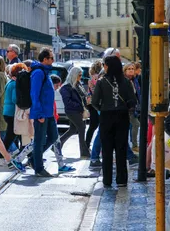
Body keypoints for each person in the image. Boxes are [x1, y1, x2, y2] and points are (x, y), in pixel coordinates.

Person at [92, 55, 137, 187]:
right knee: (121, 148)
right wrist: (126, 108)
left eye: (105, 65)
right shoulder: (126, 82)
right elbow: (133, 100)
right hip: (122, 116)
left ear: (108, 66)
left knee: (106, 150)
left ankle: (107, 180)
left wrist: (103, 108)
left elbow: (95, 102)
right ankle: (122, 179)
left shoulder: (101, 82)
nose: (104, 67)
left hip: (106, 116)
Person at [29, 47, 58, 177]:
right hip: (41, 113)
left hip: (48, 112)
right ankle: (39, 168)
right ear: (45, 59)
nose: (53, 60)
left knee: (53, 137)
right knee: (39, 140)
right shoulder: (39, 73)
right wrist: (39, 113)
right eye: (51, 58)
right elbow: (34, 94)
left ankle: (34, 159)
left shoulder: (45, 72)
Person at [59, 66, 91, 158]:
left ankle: (57, 146)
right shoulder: (66, 87)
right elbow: (67, 102)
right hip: (72, 111)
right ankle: (84, 152)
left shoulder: (78, 85)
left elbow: (82, 96)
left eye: (81, 75)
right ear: (74, 75)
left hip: (77, 110)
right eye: (79, 75)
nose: (80, 77)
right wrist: (80, 106)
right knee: (82, 128)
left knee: (73, 129)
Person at [2, 63, 28, 154]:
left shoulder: (10, 82)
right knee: (11, 136)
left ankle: (24, 154)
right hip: (12, 113)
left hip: (7, 112)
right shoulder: (14, 84)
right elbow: (14, 99)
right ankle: (0, 156)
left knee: (15, 135)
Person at [123, 63, 140, 152]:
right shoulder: (124, 80)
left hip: (133, 107)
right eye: (128, 69)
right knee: (135, 124)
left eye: (132, 69)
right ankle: (133, 145)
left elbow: (137, 93)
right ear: (125, 71)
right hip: (126, 108)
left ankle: (132, 145)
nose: (131, 70)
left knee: (134, 125)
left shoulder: (134, 80)